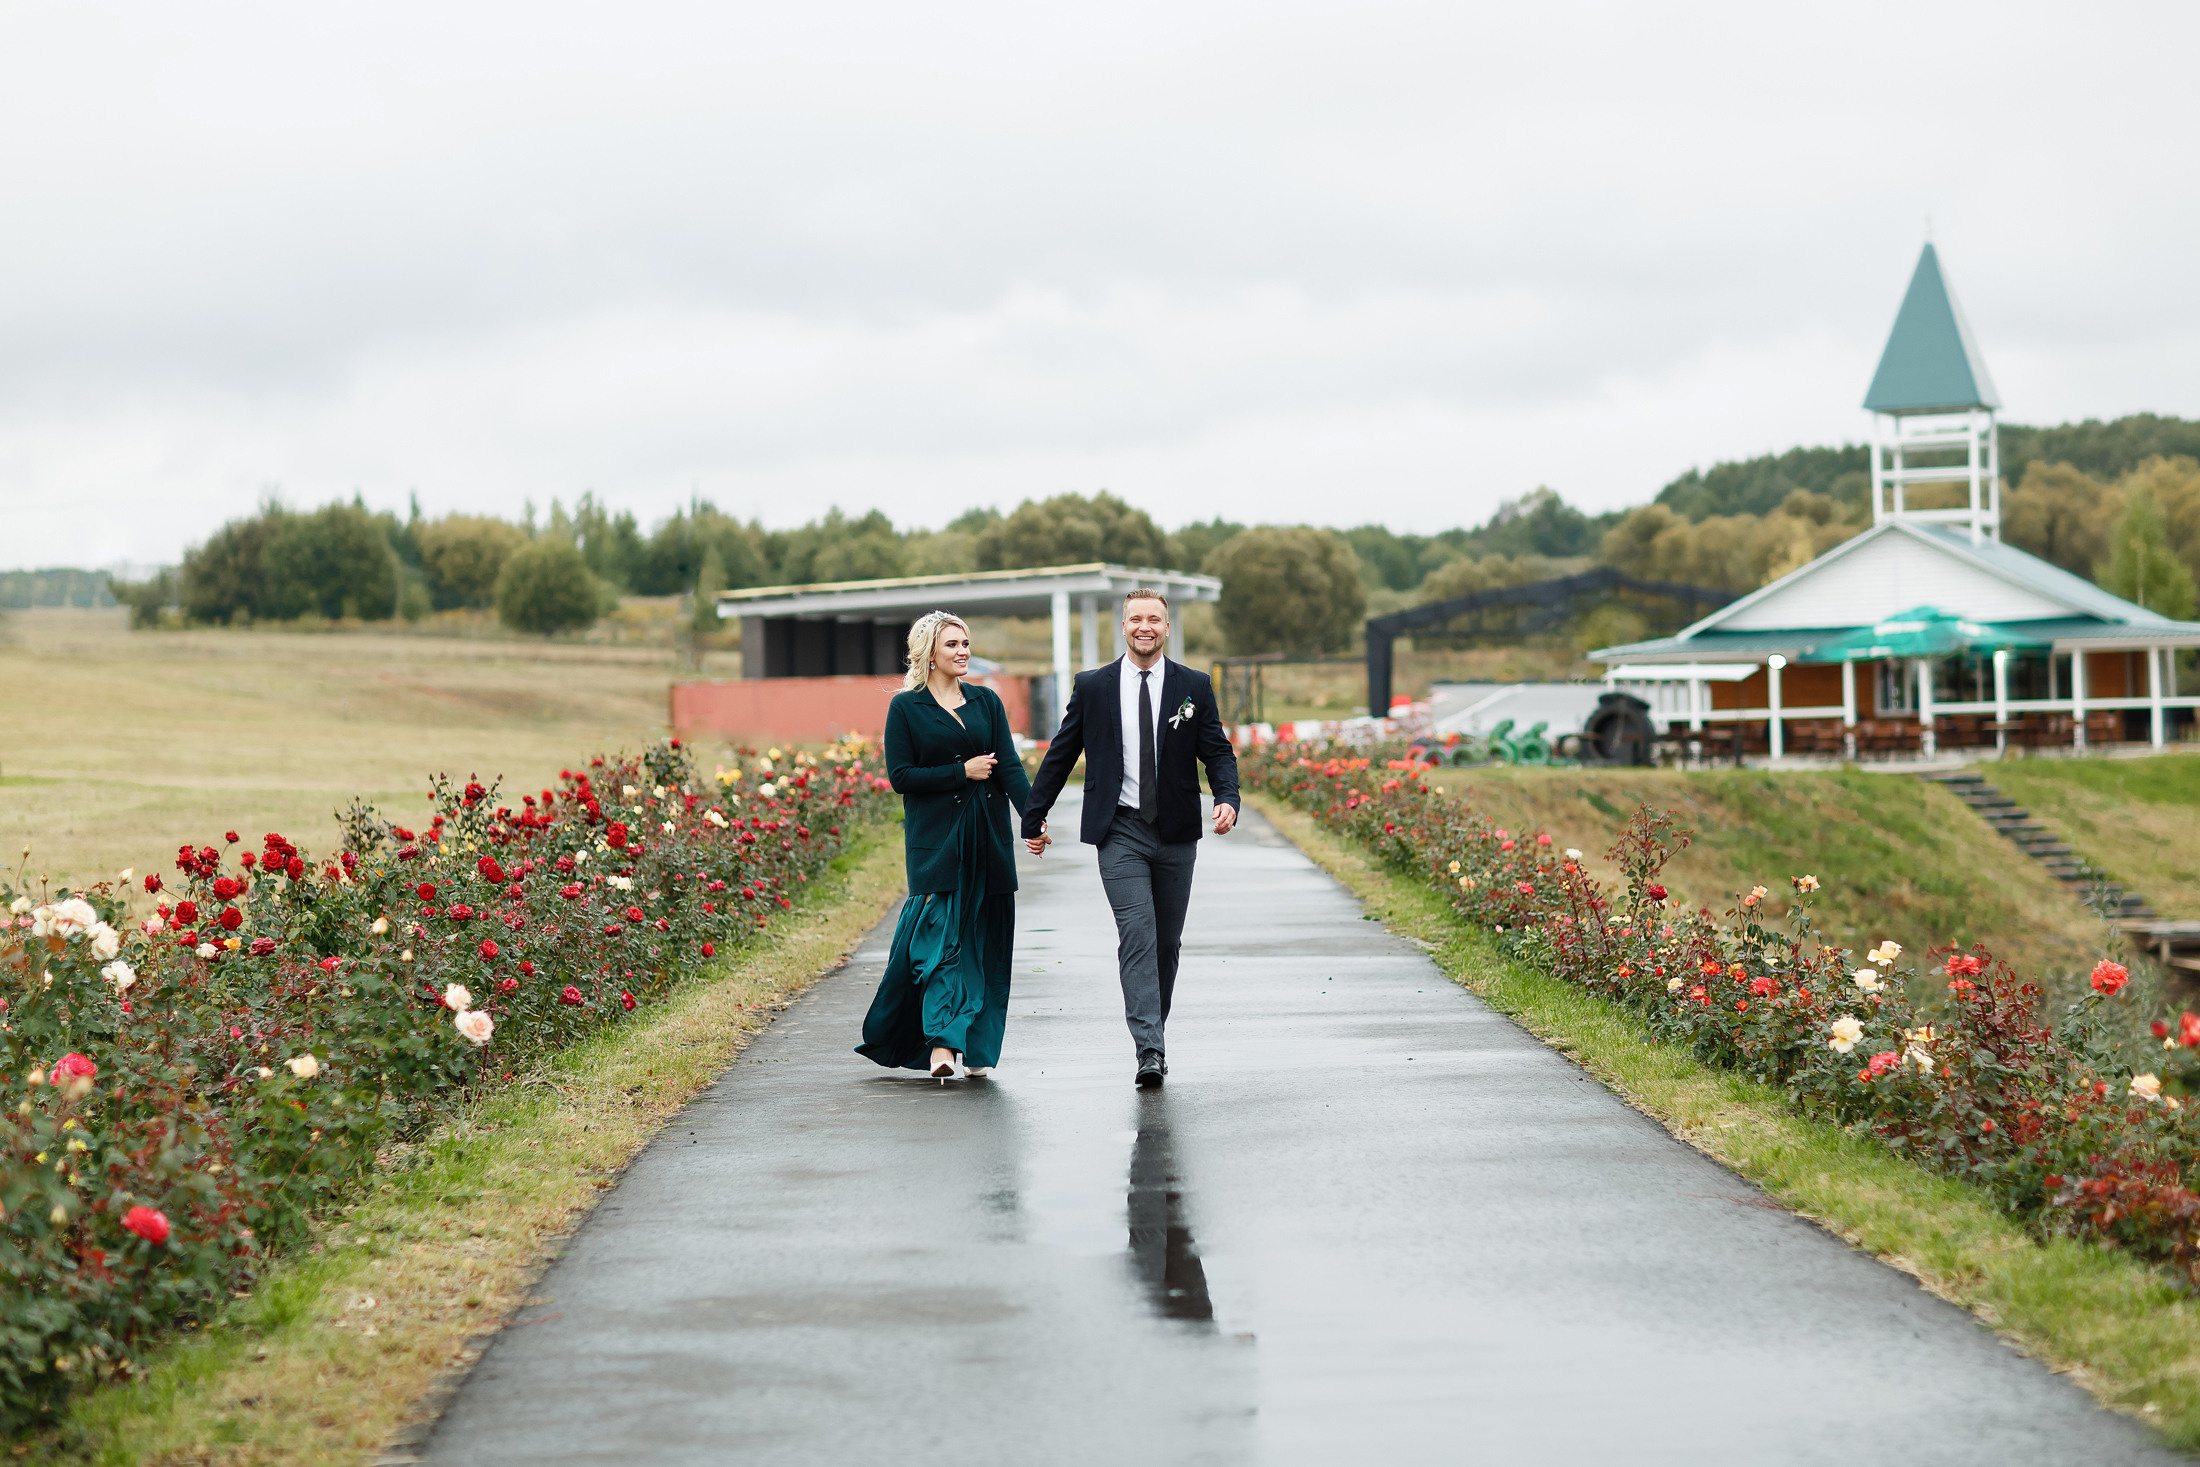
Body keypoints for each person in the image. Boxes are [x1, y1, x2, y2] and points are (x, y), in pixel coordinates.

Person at [1022, 588, 1239, 1087]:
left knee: (1166, 943)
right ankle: (1149, 1049)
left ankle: (1152, 1030)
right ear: (1123, 626)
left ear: (1167, 628)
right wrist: (1034, 815)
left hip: (1176, 831)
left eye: (1154, 619)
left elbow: (1217, 751)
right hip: (1119, 829)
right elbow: (1061, 753)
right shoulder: (1093, 686)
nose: (1145, 626)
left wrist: (1227, 797)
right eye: (1136, 618)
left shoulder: (1194, 686)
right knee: (1137, 934)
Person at [857, 611, 1031, 1082]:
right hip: (937, 844)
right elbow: (901, 776)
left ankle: (976, 1045)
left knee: (986, 944)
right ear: (929, 653)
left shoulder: (986, 702)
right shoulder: (906, 708)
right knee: (940, 942)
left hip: (988, 839)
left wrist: (1032, 818)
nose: (963, 652)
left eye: (966, 643)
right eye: (953, 644)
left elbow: (1009, 767)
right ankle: (941, 1042)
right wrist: (962, 772)